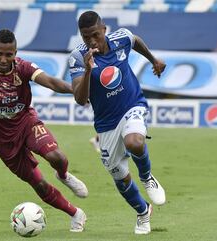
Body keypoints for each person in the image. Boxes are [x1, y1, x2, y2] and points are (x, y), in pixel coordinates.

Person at [0, 29, 88, 232]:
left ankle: (63, 175)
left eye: (8, 54)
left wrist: (76, 90)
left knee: (56, 156)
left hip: (25, 123)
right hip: (1, 140)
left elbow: (51, 82)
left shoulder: (23, 67)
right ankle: (76, 214)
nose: (3, 59)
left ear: (15, 53)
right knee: (38, 184)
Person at [69, 11, 166, 235]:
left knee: (134, 142)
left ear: (104, 29)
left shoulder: (120, 38)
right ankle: (143, 212)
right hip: (106, 124)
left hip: (132, 105)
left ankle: (147, 176)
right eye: (86, 37)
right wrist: (87, 70)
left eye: (95, 35)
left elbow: (136, 41)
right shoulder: (77, 57)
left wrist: (154, 60)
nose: (91, 41)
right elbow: (81, 99)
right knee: (120, 177)